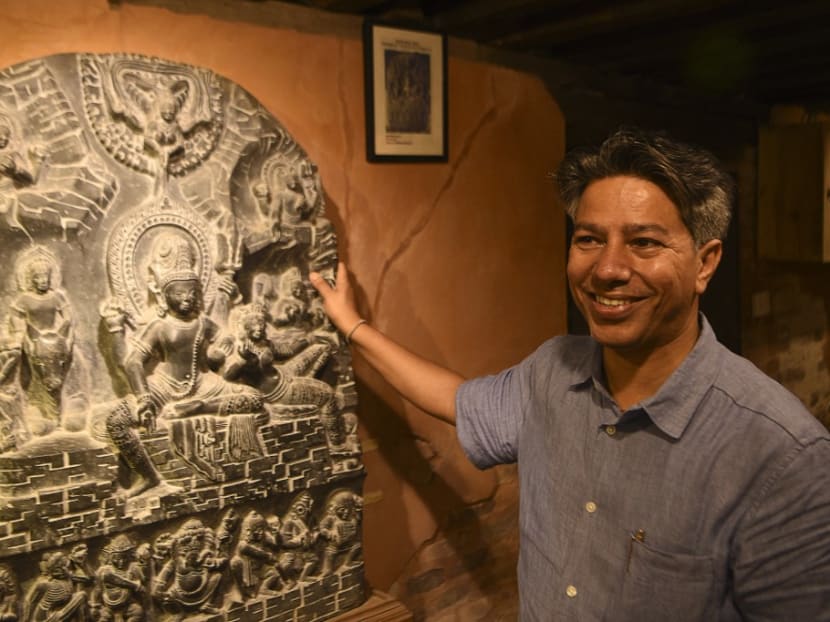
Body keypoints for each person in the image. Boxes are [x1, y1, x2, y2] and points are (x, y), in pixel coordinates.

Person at [309, 127, 830, 620]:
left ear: (705, 263)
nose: (607, 268)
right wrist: (354, 327)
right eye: (589, 239)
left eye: (644, 242)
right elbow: (457, 400)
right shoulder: (553, 371)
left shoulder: (783, 458)